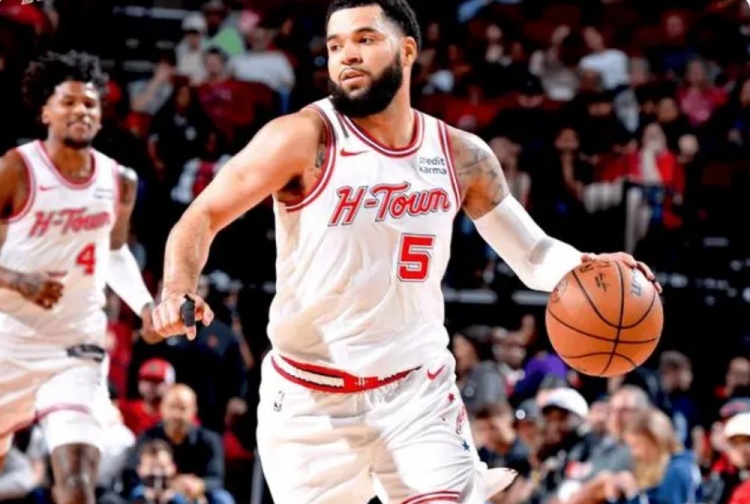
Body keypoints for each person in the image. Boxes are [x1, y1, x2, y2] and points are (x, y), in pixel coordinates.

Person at [152, 1, 661, 502]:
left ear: (408, 51)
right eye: (335, 45)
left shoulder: (460, 154)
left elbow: (531, 255)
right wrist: (177, 287)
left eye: (365, 39)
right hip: (310, 401)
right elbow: (202, 216)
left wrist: (587, 264)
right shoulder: (303, 138)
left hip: (417, 392)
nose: (347, 55)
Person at [0, 50, 156, 504]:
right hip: (10, 339)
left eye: (90, 103)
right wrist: (20, 281)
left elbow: (115, 251)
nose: (81, 111)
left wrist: (145, 306)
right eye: (68, 102)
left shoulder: (120, 180)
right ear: (45, 111)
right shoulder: (16, 168)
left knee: (76, 479)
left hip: (76, 345)